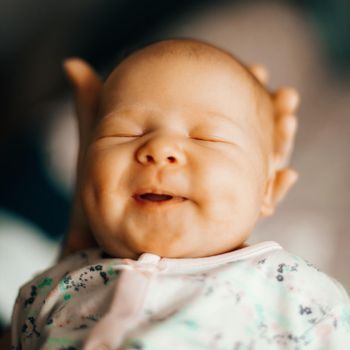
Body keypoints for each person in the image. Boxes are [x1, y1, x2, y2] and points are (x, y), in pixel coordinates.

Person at [11, 39, 350, 350]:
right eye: (125, 132)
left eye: (207, 138)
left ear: (269, 190)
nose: (159, 148)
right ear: (85, 170)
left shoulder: (296, 294)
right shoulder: (48, 289)